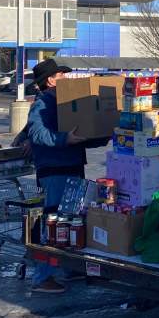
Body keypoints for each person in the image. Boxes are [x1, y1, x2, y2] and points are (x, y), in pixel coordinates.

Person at [25, 58, 93, 295]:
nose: (65, 78)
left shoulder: (65, 101)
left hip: (72, 165)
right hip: (55, 170)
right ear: (51, 80)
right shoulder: (43, 103)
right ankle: (42, 277)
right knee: (53, 221)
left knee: (71, 220)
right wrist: (64, 139)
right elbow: (37, 133)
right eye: (61, 75)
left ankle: (68, 266)